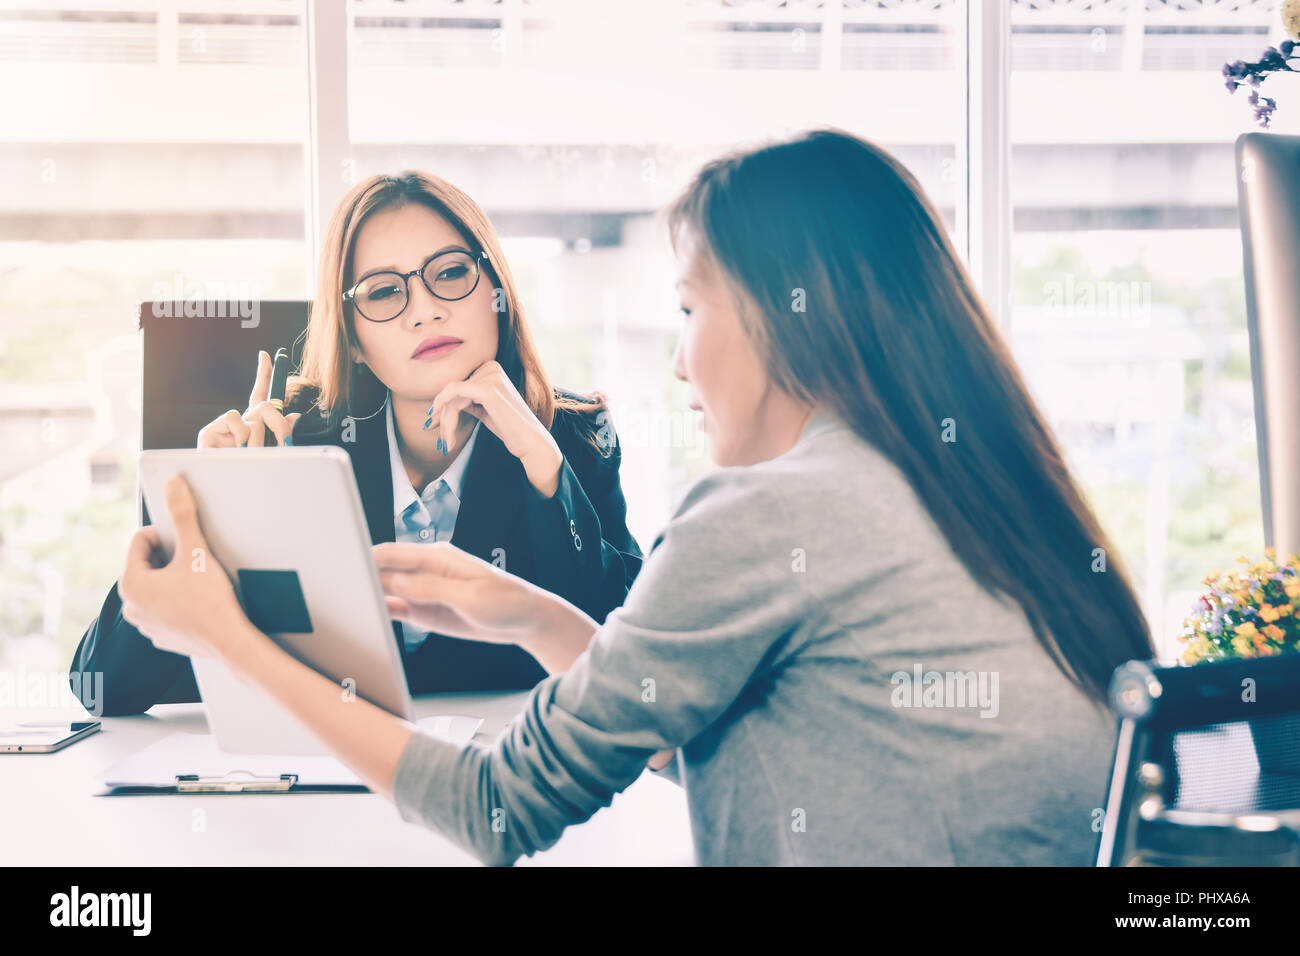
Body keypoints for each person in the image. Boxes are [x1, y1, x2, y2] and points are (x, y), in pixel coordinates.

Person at [114, 129, 1154, 865]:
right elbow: (716, 730)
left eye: (689, 306)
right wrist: (528, 614)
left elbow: (492, 807)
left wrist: (225, 635)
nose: (678, 364)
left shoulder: (763, 512)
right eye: (385, 292)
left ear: (780, 319)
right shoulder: (978, 486)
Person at [72, 171, 642, 717]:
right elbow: (103, 687)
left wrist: (546, 471)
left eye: (448, 273)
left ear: (497, 291)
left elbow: (627, 665)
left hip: (503, 778)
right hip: (323, 782)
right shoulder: (287, 447)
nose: (425, 310)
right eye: (384, 291)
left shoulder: (573, 437)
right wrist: (200, 521)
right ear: (356, 342)